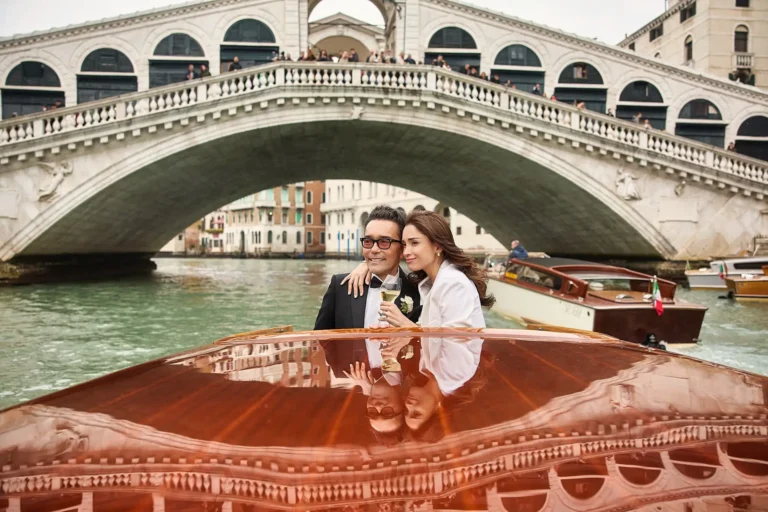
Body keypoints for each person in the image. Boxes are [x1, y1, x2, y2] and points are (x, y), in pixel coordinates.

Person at [345, 210, 493, 329]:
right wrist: (367, 264)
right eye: (404, 244)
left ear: (437, 246)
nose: (406, 251)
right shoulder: (429, 284)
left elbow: (455, 345)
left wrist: (406, 326)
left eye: (414, 243)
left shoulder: (454, 284)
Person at [315, 205, 421, 331]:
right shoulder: (340, 287)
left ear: (402, 249)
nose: (374, 249)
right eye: (368, 241)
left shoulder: (418, 291)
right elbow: (320, 342)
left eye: (384, 242)